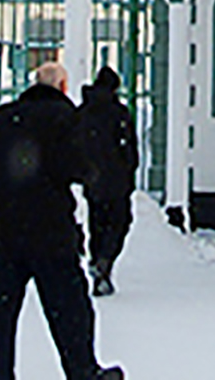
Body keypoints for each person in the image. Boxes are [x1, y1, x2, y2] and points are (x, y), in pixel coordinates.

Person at [0, 61, 122, 380]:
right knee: (70, 311)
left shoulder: (5, 118)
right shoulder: (65, 118)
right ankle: (83, 371)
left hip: (3, 236)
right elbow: (80, 167)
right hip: (51, 235)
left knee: (0, 317)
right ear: (62, 87)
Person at [76, 65, 139, 297]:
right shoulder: (119, 113)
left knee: (97, 223)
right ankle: (105, 260)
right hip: (117, 179)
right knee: (119, 222)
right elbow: (130, 147)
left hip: (92, 179)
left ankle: (98, 262)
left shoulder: (83, 112)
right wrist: (129, 170)